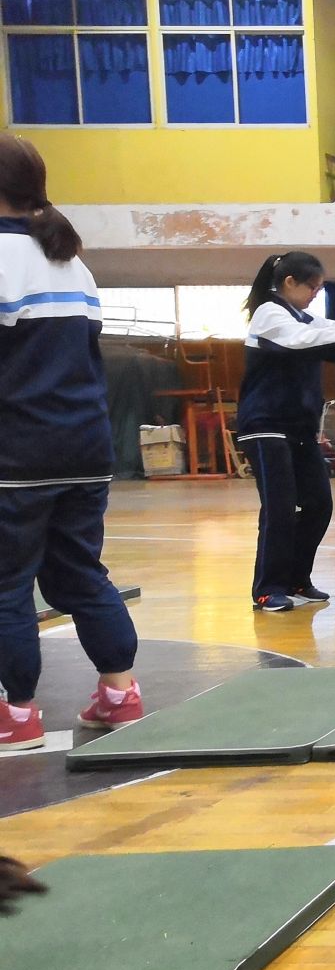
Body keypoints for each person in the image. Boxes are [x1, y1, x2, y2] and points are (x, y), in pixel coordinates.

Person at [0, 133, 144, 751]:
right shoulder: (68, 260)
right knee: (80, 577)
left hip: (15, 452)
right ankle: (120, 694)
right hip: (85, 449)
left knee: (6, 586)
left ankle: (19, 714)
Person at [232, 252, 335, 612]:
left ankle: (297, 578)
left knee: (318, 504)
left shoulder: (303, 317)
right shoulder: (269, 314)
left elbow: (328, 334)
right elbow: (302, 340)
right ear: (289, 283)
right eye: (312, 287)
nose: (316, 293)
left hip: (299, 428)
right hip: (266, 426)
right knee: (279, 507)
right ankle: (268, 588)